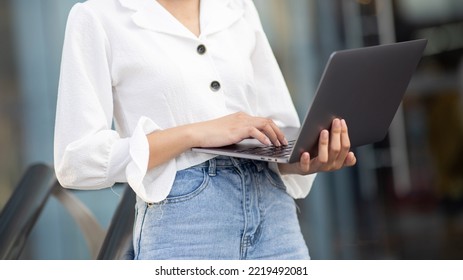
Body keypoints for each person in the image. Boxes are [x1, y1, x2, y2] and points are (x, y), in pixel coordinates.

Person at [54, 0, 356, 260]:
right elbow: (76, 161)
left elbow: (276, 125)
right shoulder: (99, 16)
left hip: (274, 214)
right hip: (186, 225)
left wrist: (305, 158)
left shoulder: (236, 7)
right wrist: (195, 134)